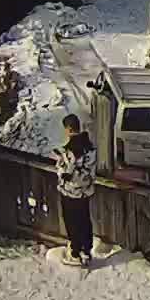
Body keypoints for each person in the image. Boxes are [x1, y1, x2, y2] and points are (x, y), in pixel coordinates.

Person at [55, 114, 97, 269]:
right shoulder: (90, 148)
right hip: (85, 192)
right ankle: (86, 250)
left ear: (69, 129)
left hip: (70, 191)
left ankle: (75, 252)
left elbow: (63, 170)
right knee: (84, 220)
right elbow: (90, 172)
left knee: (72, 222)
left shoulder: (69, 151)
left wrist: (64, 173)